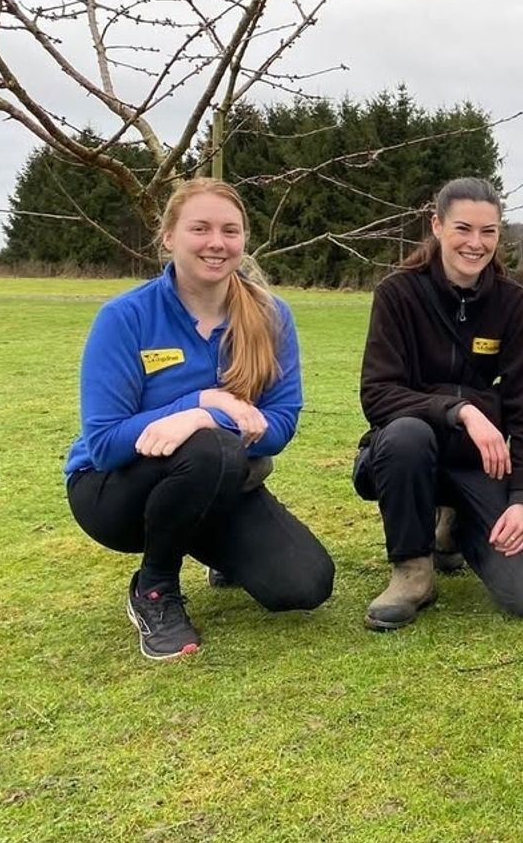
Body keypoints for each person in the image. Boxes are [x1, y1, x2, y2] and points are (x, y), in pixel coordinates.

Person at [65, 179, 334, 661]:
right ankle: (155, 589)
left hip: (218, 481)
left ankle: (214, 548)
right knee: (212, 446)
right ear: (168, 237)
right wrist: (203, 403)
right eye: (200, 228)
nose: (217, 242)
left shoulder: (271, 315)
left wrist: (201, 417)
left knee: (307, 584)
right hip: (113, 490)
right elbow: (104, 443)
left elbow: (281, 423)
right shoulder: (124, 317)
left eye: (231, 230)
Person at [354, 177, 523, 631]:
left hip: (476, 464)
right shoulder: (398, 294)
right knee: (408, 434)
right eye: (463, 228)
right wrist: (462, 411)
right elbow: (378, 393)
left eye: (489, 231)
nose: (476, 243)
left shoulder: (514, 304)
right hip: (405, 455)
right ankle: (413, 570)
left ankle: (455, 525)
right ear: (437, 226)